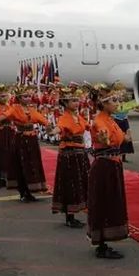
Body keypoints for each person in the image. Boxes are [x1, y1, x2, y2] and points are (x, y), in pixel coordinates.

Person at [87, 82, 131, 259]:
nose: (117, 103)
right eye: (113, 100)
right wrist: (105, 139)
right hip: (105, 167)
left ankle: (105, 241)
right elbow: (104, 137)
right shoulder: (100, 121)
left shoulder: (110, 119)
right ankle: (101, 244)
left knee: (111, 202)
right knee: (104, 202)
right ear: (104, 103)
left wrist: (126, 137)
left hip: (113, 165)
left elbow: (120, 139)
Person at [0, 85, 50, 202]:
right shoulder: (15, 108)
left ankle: (30, 191)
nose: (28, 98)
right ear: (19, 98)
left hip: (32, 140)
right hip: (21, 140)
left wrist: (50, 127)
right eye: (25, 96)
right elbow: (6, 115)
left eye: (29, 96)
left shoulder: (32, 110)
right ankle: (22, 192)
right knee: (21, 165)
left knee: (32, 165)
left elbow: (43, 120)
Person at [51, 83, 90, 228]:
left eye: (77, 100)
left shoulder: (78, 117)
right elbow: (58, 128)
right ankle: (70, 216)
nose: (76, 103)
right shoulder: (65, 117)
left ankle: (75, 213)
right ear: (65, 103)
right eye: (73, 101)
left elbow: (88, 127)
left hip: (80, 153)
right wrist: (52, 131)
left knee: (80, 183)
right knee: (70, 184)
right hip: (69, 154)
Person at [112, 87, 137, 162]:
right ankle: (116, 155)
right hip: (117, 121)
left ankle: (124, 157)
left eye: (122, 96)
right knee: (117, 137)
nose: (120, 98)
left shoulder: (127, 104)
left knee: (126, 138)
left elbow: (136, 105)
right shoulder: (114, 105)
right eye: (119, 96)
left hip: (125, 122)